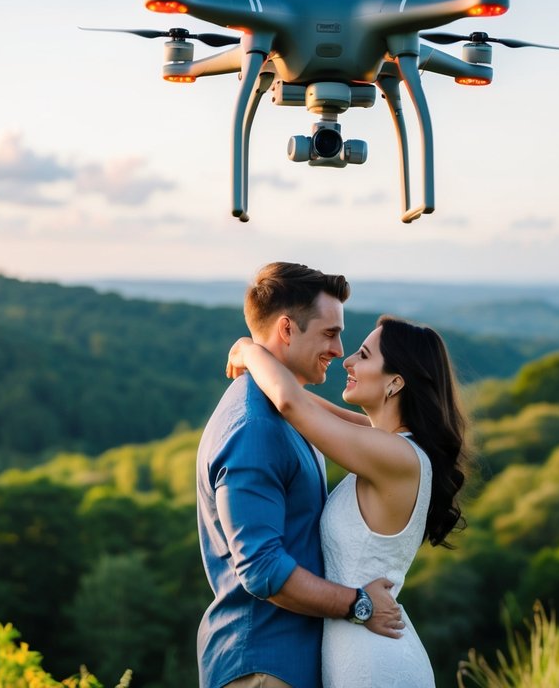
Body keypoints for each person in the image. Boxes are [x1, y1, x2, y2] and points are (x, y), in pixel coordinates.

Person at [226, 314, 470, 687]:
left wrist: (248, 349)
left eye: (364, 355)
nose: (348, 360)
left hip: (375, 662)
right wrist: (261, 369)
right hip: (356, 649)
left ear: (394, 383)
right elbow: (308, 404)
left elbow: (293, 405)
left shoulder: (396, 456)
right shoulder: (387, 443)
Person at [196, 262, 405, 688]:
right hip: (262, 666)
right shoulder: (254, 429)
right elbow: (262, 569)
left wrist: (250, 351)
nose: (338, 348)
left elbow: (375, 432)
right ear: (288, 330)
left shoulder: (290, 412)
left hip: (288, 664)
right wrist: (360, 604)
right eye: (330, 333)